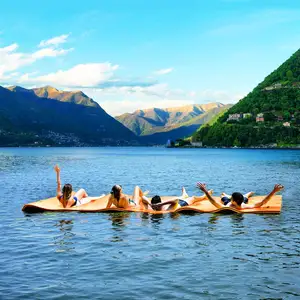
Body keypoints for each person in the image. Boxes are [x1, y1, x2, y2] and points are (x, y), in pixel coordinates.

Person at [196, 182, 284, 209]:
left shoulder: (241, 205)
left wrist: (205, 191)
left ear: (233, 200)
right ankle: (225, 194)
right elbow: (262, 203)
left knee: (224, 196)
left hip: (233, 202)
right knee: (223, 195)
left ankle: (249, 193)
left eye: (232, 198)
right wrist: (273, 191)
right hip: (239, 200)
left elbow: (213, 201)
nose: (231, 199)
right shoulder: (242, 204)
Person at [140, 187, 213, 211]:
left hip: (181, 202)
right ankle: (184, 194)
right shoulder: (153, 207)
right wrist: (149, 203)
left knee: (195, 198)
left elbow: (175, 201)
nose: (156, 207)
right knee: (186, 197)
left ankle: (206, 194)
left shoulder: (165, 207)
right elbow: (143, 197)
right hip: (179, 203)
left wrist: (160, 204)